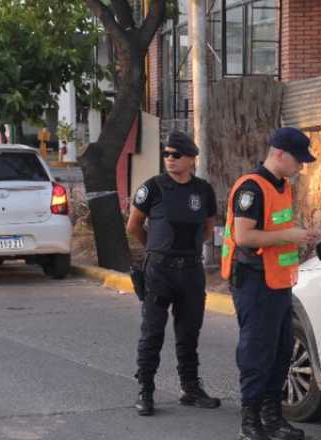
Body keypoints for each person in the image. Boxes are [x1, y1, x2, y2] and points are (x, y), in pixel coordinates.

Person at [221, 127, 320, 440]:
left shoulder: (282, 186)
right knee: (257, 353)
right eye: (298, 160)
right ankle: (250, 423)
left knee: (280, 353)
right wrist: (288, 236)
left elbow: (276, 232)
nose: (301, 166)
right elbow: (244, 236)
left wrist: (298, 238)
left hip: (277, 282)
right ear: (279, 154)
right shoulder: (251, 187)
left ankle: (273, 418)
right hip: (253, 282)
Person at [126, 131, 221, 417]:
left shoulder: (203, 190)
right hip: (159, 271)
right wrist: (156, 249)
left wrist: (186, 251)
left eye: (176, 155)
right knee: (152, 333)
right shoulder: (153, 188)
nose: (170, 159)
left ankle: (190, 388)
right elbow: (134, 226)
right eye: (166, 154)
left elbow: (207, 228)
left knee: (189, 333)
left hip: (190, 271)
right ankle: (146, 390)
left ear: (191, 158)